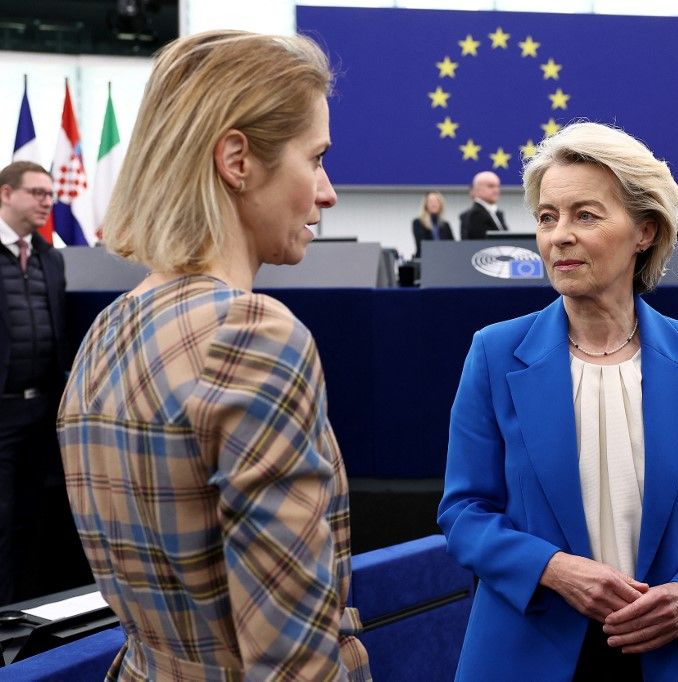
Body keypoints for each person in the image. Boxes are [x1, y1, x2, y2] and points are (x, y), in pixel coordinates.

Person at [56, 31, 371, 680]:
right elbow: (293, 665)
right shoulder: (253, 334)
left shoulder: (107, 330)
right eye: (316, 159)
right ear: (237, 159)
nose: (327, 191)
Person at [439, 122, 678, 681]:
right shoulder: (495, 353)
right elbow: (463, 514)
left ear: (645, 230)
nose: (559, 236)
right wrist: (551, 567)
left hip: (665, 656)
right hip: (523, 653)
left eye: (585, 215)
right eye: (547, 217)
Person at [0, 161, 89, 604]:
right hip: (3, 410)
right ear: (5, 194)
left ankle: (25, 609)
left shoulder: (50, 258)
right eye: (36, 192)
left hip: (44, 409)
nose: (46, 201)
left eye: (50, 194)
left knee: (35, 517)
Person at [459, 170, 508, 238]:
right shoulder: (473, 216)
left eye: (498, 186)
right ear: (477, 189)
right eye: (491, 186)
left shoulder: (498, 214)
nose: (496, 190)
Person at [411, 191, 453, 258]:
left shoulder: (445, 225)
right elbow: (421, 244)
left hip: (444, 259)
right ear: (425, 205)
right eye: (431, 202)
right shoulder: (418, 222)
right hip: (424, 259)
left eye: (436, 202)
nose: (433, 204)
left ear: (440, 205)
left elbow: (452, 245)